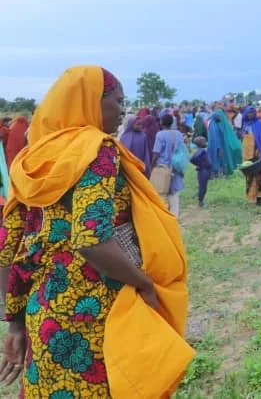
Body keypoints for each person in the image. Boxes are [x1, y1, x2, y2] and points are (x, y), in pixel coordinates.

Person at [1, 66, 192, 397]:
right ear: (90, 101)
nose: (122, 110)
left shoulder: (34, 159)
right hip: (93, 317)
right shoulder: (95, 150)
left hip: (42, 313)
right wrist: (145, 284)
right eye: (117, 101)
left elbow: (8, 251)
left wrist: (16, 322)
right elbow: (91, 240)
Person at [152, 114, 185, 216]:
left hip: (162, 166)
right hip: (175, 165)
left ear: (161, 122)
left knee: (161, 191)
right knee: (174, 192)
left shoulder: (160, 135)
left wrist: (152, 164)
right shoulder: (178, 134)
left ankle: (163, 214)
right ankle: (174, 215)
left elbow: (156, 152)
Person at [207, 109, 242, 176]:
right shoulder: (214, 125)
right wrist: (219, 147)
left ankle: (218, 172)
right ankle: (219, 172)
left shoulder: (216, 123)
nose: (221, 118)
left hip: (217, 145)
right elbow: (215, 138)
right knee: (218, 158)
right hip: (217, 146)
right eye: (219, 117)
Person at [190, 136, 214, 208]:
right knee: (202, 187)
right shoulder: (202, 151)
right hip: (204, 170)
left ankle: (201, 201)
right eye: (204, 141)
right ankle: (200, 202)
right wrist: (199, 164)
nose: (206, 142)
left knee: (203, 187)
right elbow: (193, 158)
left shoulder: (202, 150)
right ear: (200, 143)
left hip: (205, 170)